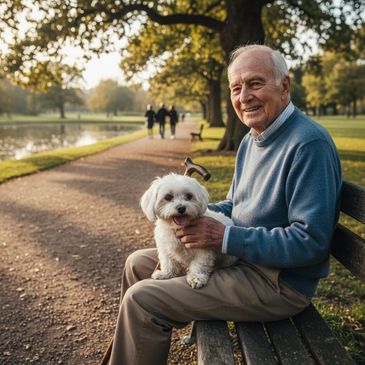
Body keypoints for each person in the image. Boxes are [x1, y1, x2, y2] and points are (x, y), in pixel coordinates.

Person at [108, 45, 342, 365]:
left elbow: (311, 243)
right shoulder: (252, 138)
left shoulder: (308, 144)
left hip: (275, 282)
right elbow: (235, 203)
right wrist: (195, 214)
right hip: (238, 260)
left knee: (142, 300)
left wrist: (223, 237)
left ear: (284, 85)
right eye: (236, 87)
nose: (244, 96)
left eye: (255, 83)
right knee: (137, 263)